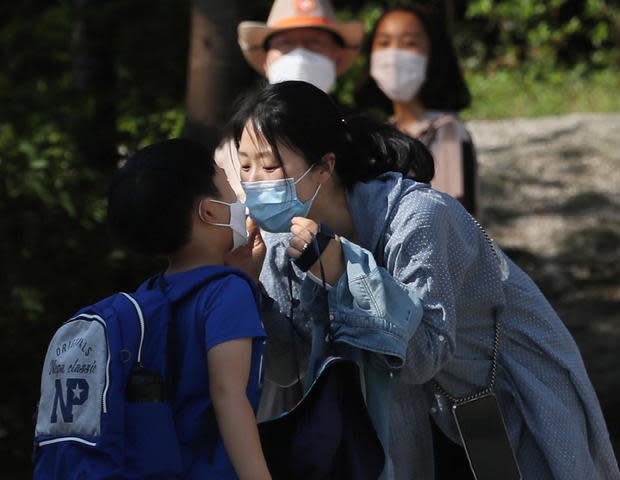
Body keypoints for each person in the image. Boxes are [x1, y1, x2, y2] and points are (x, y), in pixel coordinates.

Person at [228, 81, 620, 479]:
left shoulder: (418, 217)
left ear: (326, 165)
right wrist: (251, 289)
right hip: (401, 414)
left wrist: (345, 275)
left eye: (271, 165)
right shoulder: (279, 242)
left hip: (497, 393)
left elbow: (423, 356)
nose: (256, 181)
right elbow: (285, 366)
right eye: (245, 166)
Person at [107, 138, 271, 479]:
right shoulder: (227, 292)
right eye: (228, 186)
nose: (240, 199)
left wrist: (244, 280)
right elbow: (228, 393)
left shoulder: (150, 292)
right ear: (209, 211)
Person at [218, 0, 365, 201]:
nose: (300, 53)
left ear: (338, 58)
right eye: (286, 43)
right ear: (266, 61)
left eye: (314, 42)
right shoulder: (236, 146)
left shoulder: (365, 138)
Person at [356, 4, 479, 216]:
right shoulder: (380, 133)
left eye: (409, 43)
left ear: (433, 55)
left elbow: (452, 215)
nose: (393, 55)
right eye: (384, 43)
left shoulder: (446, 130)